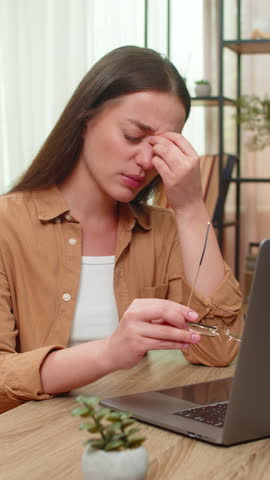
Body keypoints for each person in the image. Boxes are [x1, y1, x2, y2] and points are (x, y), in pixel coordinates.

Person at [0, 46, 242, 414]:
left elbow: (219, 349)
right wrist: (110, 352)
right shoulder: (7, 225)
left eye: (161, 147)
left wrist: (191, 208)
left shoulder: (163, 230)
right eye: (132, 135)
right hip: (34, 444)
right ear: (85, 121)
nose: (146, 161)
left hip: (131, 434)